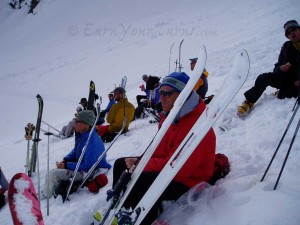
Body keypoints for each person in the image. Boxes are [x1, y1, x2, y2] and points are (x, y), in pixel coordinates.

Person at [112, 72, 216, 224]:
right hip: (171, 165)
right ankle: (122, 207)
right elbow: (160, 150)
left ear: (184, 95)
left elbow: (179, 169)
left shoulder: (196, 125)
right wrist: (141, 160)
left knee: (140, 180)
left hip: (188, 179)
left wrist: (141, 164)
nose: (162, 97)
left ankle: (144, 219)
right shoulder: (172, 116)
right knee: (120, 164)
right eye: (160, 92)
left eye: (168, 93)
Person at [42, 110, 111, 198]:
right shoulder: (82, 134)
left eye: (78, 121)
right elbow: (76, 151)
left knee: (53, 174)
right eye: (75, 120)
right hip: (82, 166)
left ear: (87, 124)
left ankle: (47, 196)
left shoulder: (92, 140)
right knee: (53, 172)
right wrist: (66, 160)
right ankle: (50, 190)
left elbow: (88, 166)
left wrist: (66, 165)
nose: (75, 124)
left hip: (89, 172)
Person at [238, 20, 300, 116]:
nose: (291, 33)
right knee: (263, 78)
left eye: (293, 29)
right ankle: (249, 101)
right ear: (287, 36)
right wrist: (280, 68)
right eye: (288, 32)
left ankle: (282, 93)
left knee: (287, 94)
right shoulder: (287, 47)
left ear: (299, 29)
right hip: (289, 80)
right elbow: (276, 68)